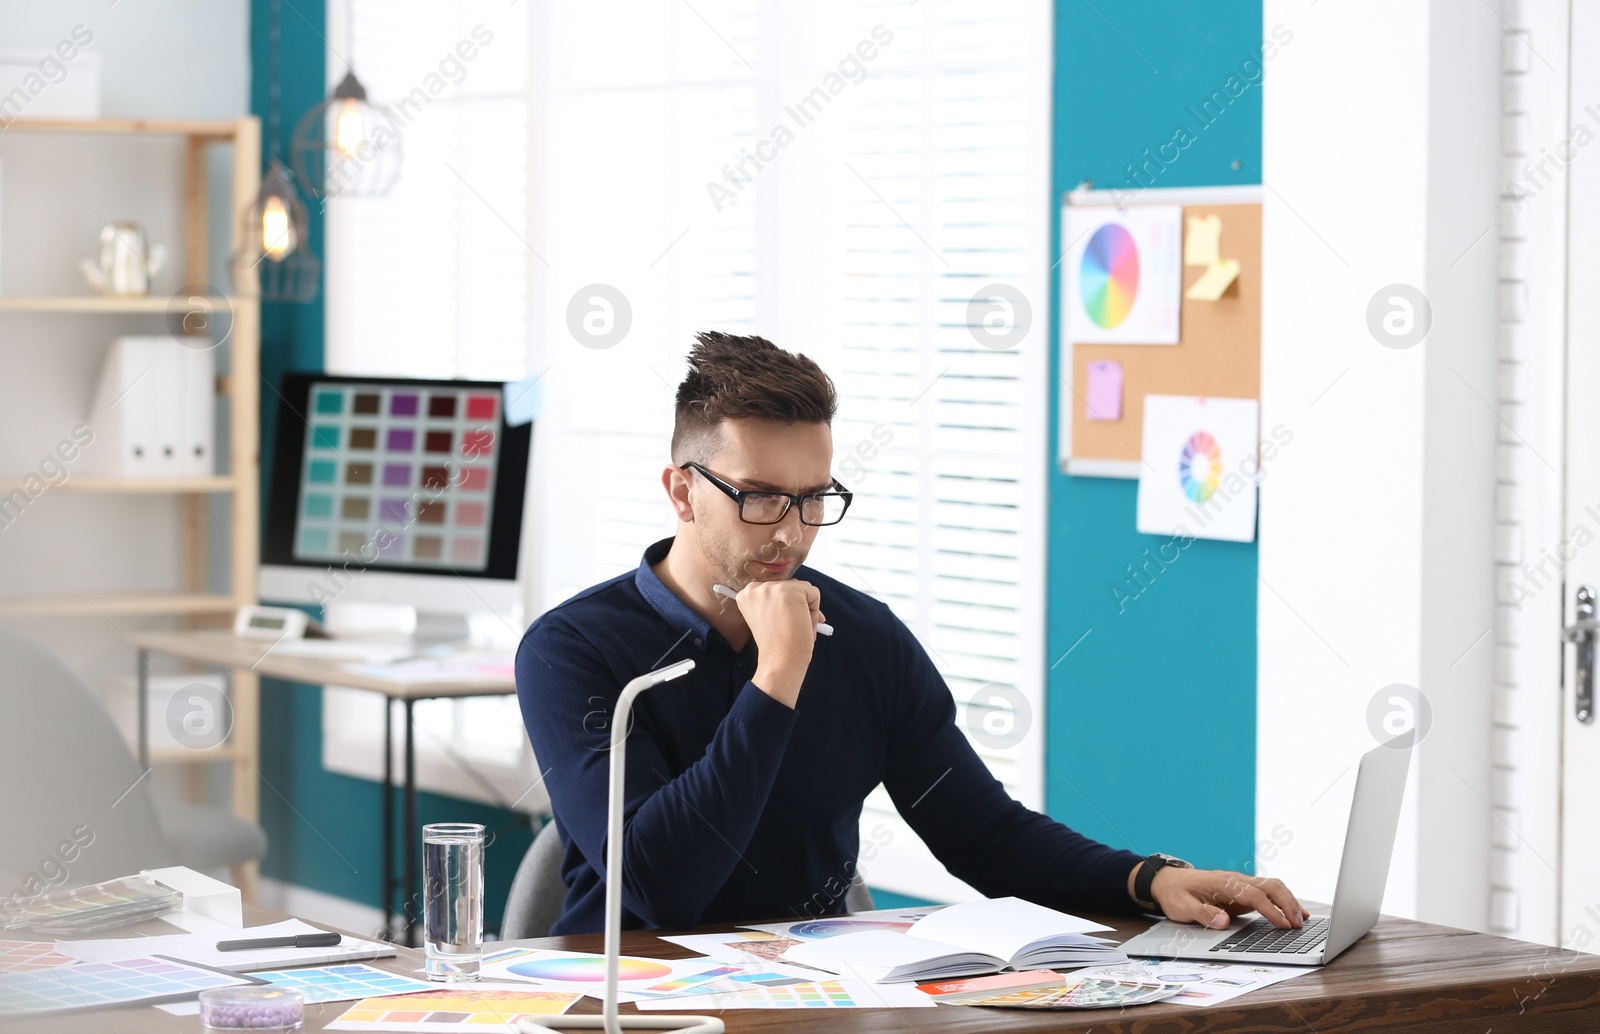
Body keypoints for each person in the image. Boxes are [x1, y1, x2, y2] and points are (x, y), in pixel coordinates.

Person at [515, 332, 1307, 936]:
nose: (791, 532)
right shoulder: (572, 650)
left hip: (814, 1004)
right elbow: (658, 885)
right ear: (682, 493)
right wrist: (775, 680)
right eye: (759, 497)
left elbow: (981, 832)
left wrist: (1147, 880)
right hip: (628, 1004)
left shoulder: (864, 639)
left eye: (812, 497)